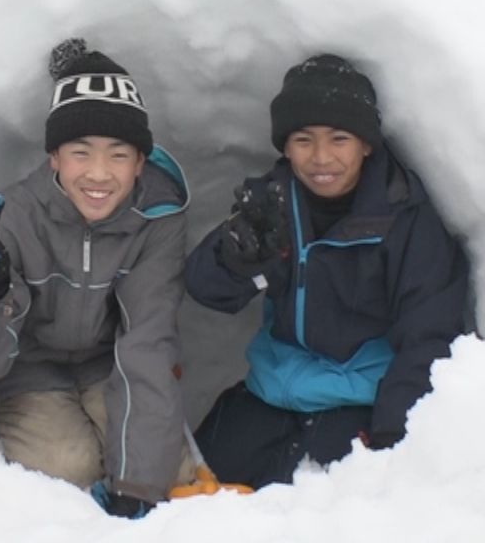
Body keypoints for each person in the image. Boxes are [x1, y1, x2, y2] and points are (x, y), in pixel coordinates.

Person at [0, 39, 193, 519]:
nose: (99, 173)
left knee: (168, 476)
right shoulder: (13, 216)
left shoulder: (156, 217)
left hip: (108, 363)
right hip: (26, 371)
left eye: (119, 155)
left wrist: (137, 484)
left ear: (140, 162)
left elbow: (147, 342)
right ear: (54, 157)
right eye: (80, 152)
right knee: (66, 469)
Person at [186, 55, 469, 489]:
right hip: (269, 394)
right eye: (303, 139)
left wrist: (393, 433)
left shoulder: (403, 217)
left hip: (361, 401)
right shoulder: (273, 204)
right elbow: (207, 290)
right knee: (191, 498)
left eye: (339, 139)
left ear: (367, 144)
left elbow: (429, 331)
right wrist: (236, 260)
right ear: (285, 145)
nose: (321, 158)